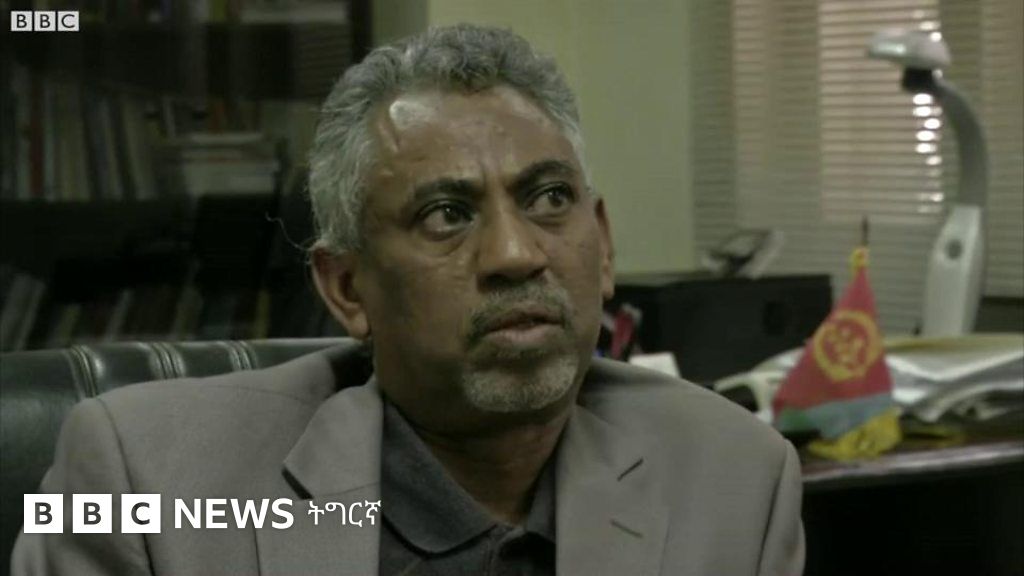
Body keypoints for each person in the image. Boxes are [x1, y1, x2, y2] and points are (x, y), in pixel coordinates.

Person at [12, 24, 804, 576]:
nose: (517, 254)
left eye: (549, 199)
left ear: (602, 246)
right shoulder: (137, 477)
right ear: (347, 288)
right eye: (446, 214)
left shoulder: (735, 475)